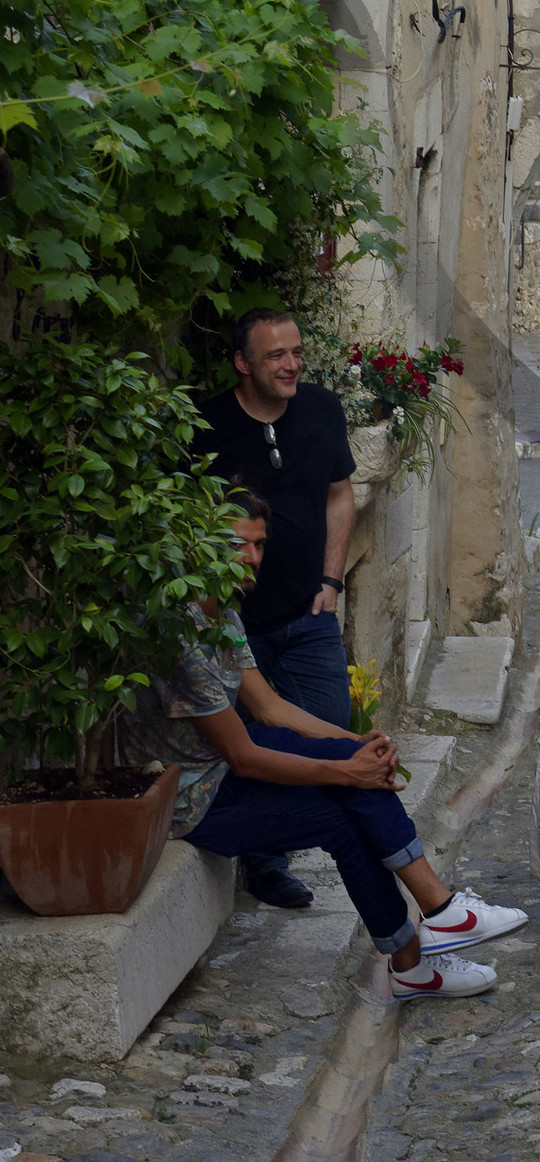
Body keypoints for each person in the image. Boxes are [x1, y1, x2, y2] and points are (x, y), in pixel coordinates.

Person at [124, 491, 525, 999]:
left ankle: (435, 926)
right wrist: (348, 772)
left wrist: (358, 742)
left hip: (222, 769)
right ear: (195, 547)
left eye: (259, 545)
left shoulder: (221, 611)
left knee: (351, 771)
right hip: (192, 800)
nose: (250, 558)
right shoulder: (180, 633)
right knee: (341, 810)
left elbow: (269, 707)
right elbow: (245, 758)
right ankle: (424, 942)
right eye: (234, 545)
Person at [192, 307, 357, 909]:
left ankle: (335, 833)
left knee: (333, 727)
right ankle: (266, 862)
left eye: (296, 352)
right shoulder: (206, 425)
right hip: (235, 626)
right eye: (275, 356)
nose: (291, 365)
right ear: (243, 363)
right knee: (256, 738)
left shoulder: (321, 409)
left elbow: (341, 495)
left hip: (309, 614)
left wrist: (331, 580)